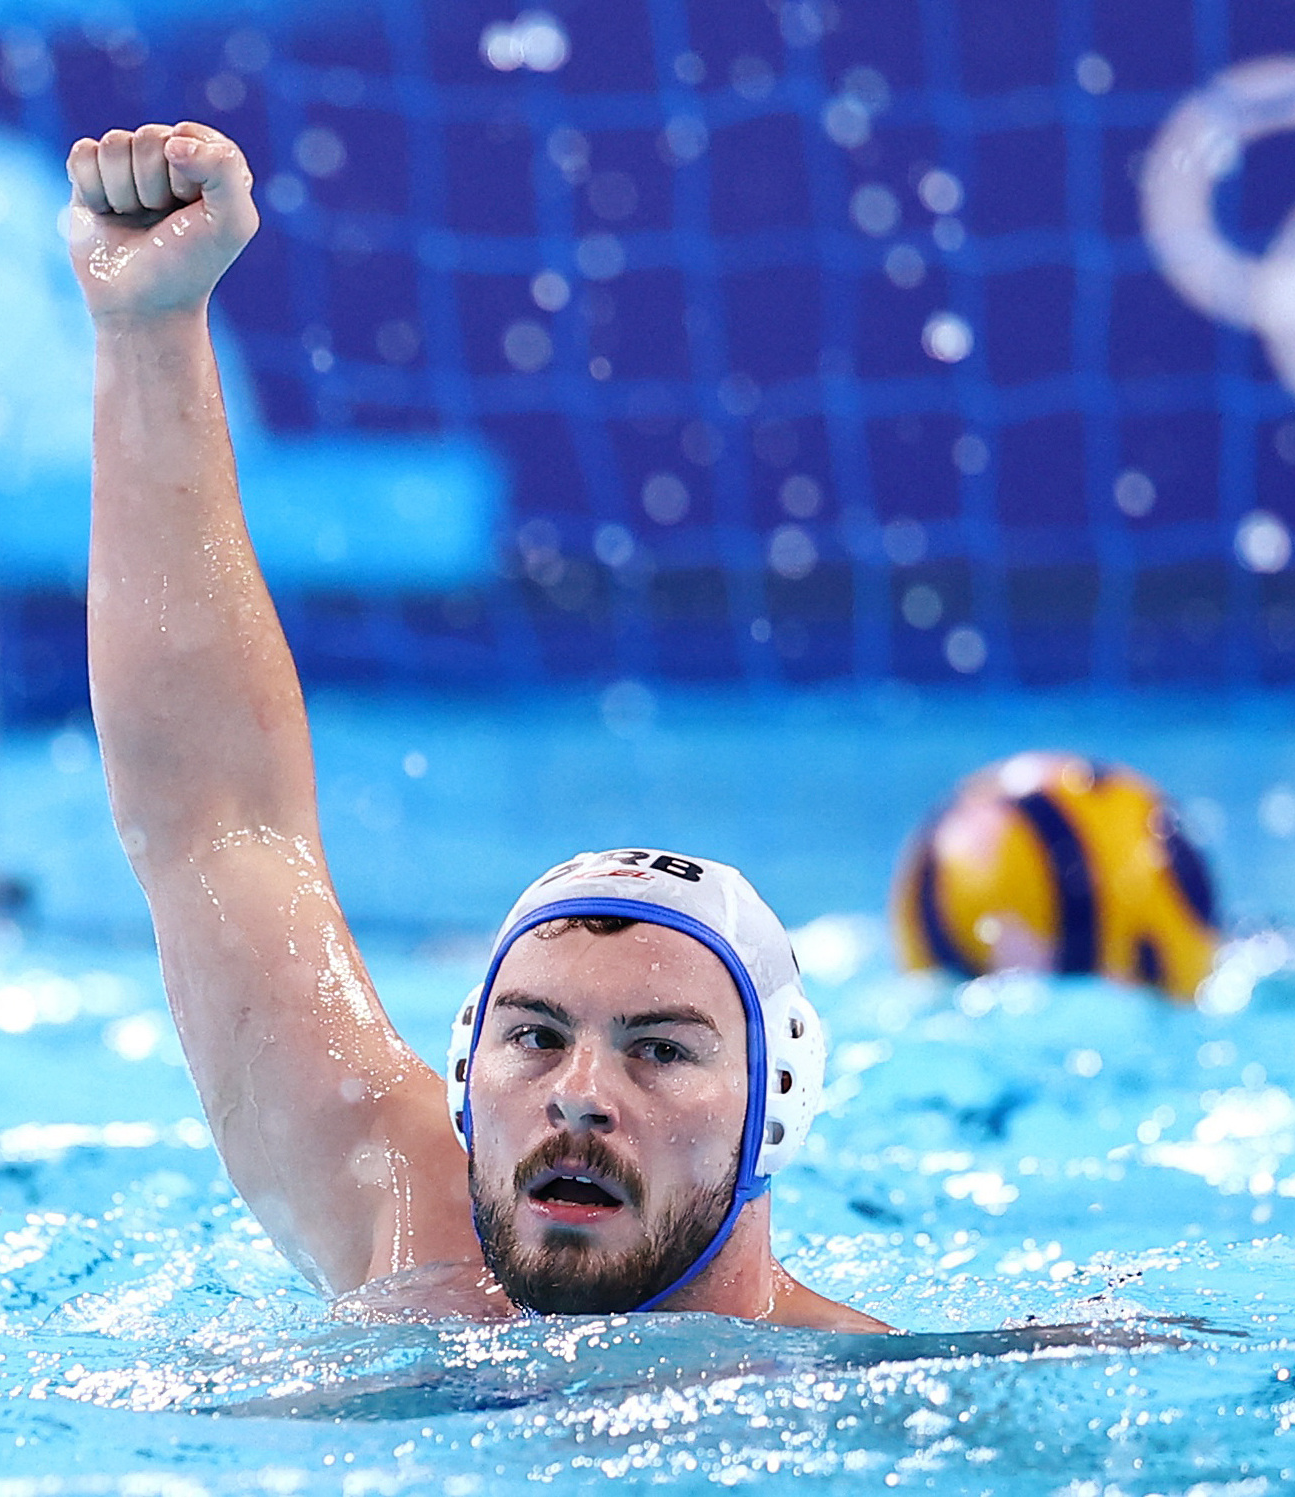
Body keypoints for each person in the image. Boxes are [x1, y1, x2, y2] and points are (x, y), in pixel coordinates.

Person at [64, 120, 889, 1333]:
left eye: (660, 1049)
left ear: (776, 1107)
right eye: (535, 1038)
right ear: (463, 1081)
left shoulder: (882, 1397)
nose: (580, 1097)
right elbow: (215, 826)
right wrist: (148, 329)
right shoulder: (404, 1223)